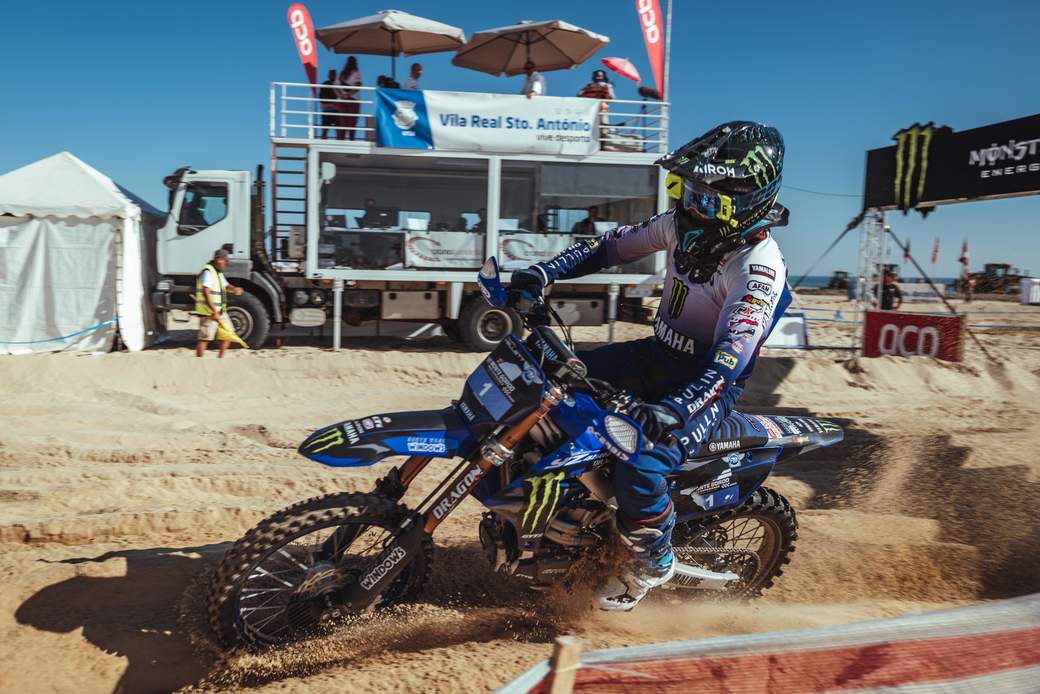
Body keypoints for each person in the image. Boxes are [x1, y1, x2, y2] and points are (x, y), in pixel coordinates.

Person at [508, 121, 790, 611]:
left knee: (641, 464)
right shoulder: (681, 224)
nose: (690, 207)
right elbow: (610, 247)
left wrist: (674, 409)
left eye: (706, 199)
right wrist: (543, 273)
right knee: (541, 373)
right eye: (686, 190)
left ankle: (653, 561)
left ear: (746, 203)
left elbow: (728, 362)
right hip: (655, 354)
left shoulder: (757, 268)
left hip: (706, 385)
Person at [196, 248, 244, 358]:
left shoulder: (218, 273)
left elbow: (226, 286)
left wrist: (235, 289)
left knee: (228, 334)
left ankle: (220, 360)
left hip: (220, 311)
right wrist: (213, 311)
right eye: (225, 260)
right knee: (205, 338)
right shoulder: (208, 272)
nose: (226, 263)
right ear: (218, 259)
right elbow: (205, 292)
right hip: (209, 313)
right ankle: (198, 363)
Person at [338, 57, 362, 141]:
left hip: (343, 100)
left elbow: (335, 86)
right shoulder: (356, 73)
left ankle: (341, 142)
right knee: (352, 123)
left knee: (343, 123)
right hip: (353, 100)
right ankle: (351, 141)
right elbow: (358, 86)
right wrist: (348, 95)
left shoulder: (341, 74)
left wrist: (341, 95)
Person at [318, 69, 340, 139]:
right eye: (331, 74)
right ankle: (323, 141)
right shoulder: (325, 84)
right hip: (327, 110)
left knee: (338, 131)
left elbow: (341, 96)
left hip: (336, 111)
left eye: (333, 74)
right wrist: (328, 104)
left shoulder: (338, 85)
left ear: (336, 75)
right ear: (328, 75)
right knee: (324, 131)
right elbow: (321, 97)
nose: (332, 75)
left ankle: (339, 144)